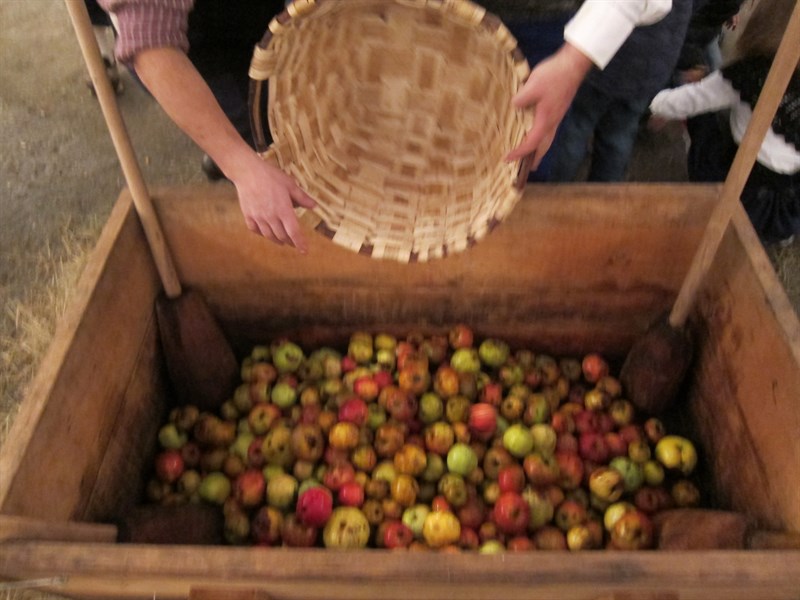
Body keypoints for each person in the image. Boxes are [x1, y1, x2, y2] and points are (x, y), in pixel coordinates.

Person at [98, 0, 672, 254]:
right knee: (261, 149)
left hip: (549, 23)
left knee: (532, 166)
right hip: (216, 45)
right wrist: (241, 165)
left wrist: (575, 59)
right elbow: (150, 43)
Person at [649, 0, 800, 246]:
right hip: (785, 200)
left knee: (707, 118)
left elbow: (694, 99)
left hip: (737, 183)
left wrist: (655, 103)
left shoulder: (753, 72)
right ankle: (775, 234)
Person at [545, 0, 693, 182]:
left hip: (604, 56)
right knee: (618, 138)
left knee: (575, 129)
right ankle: (603, 193)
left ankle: (553, 188)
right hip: (650, 66)